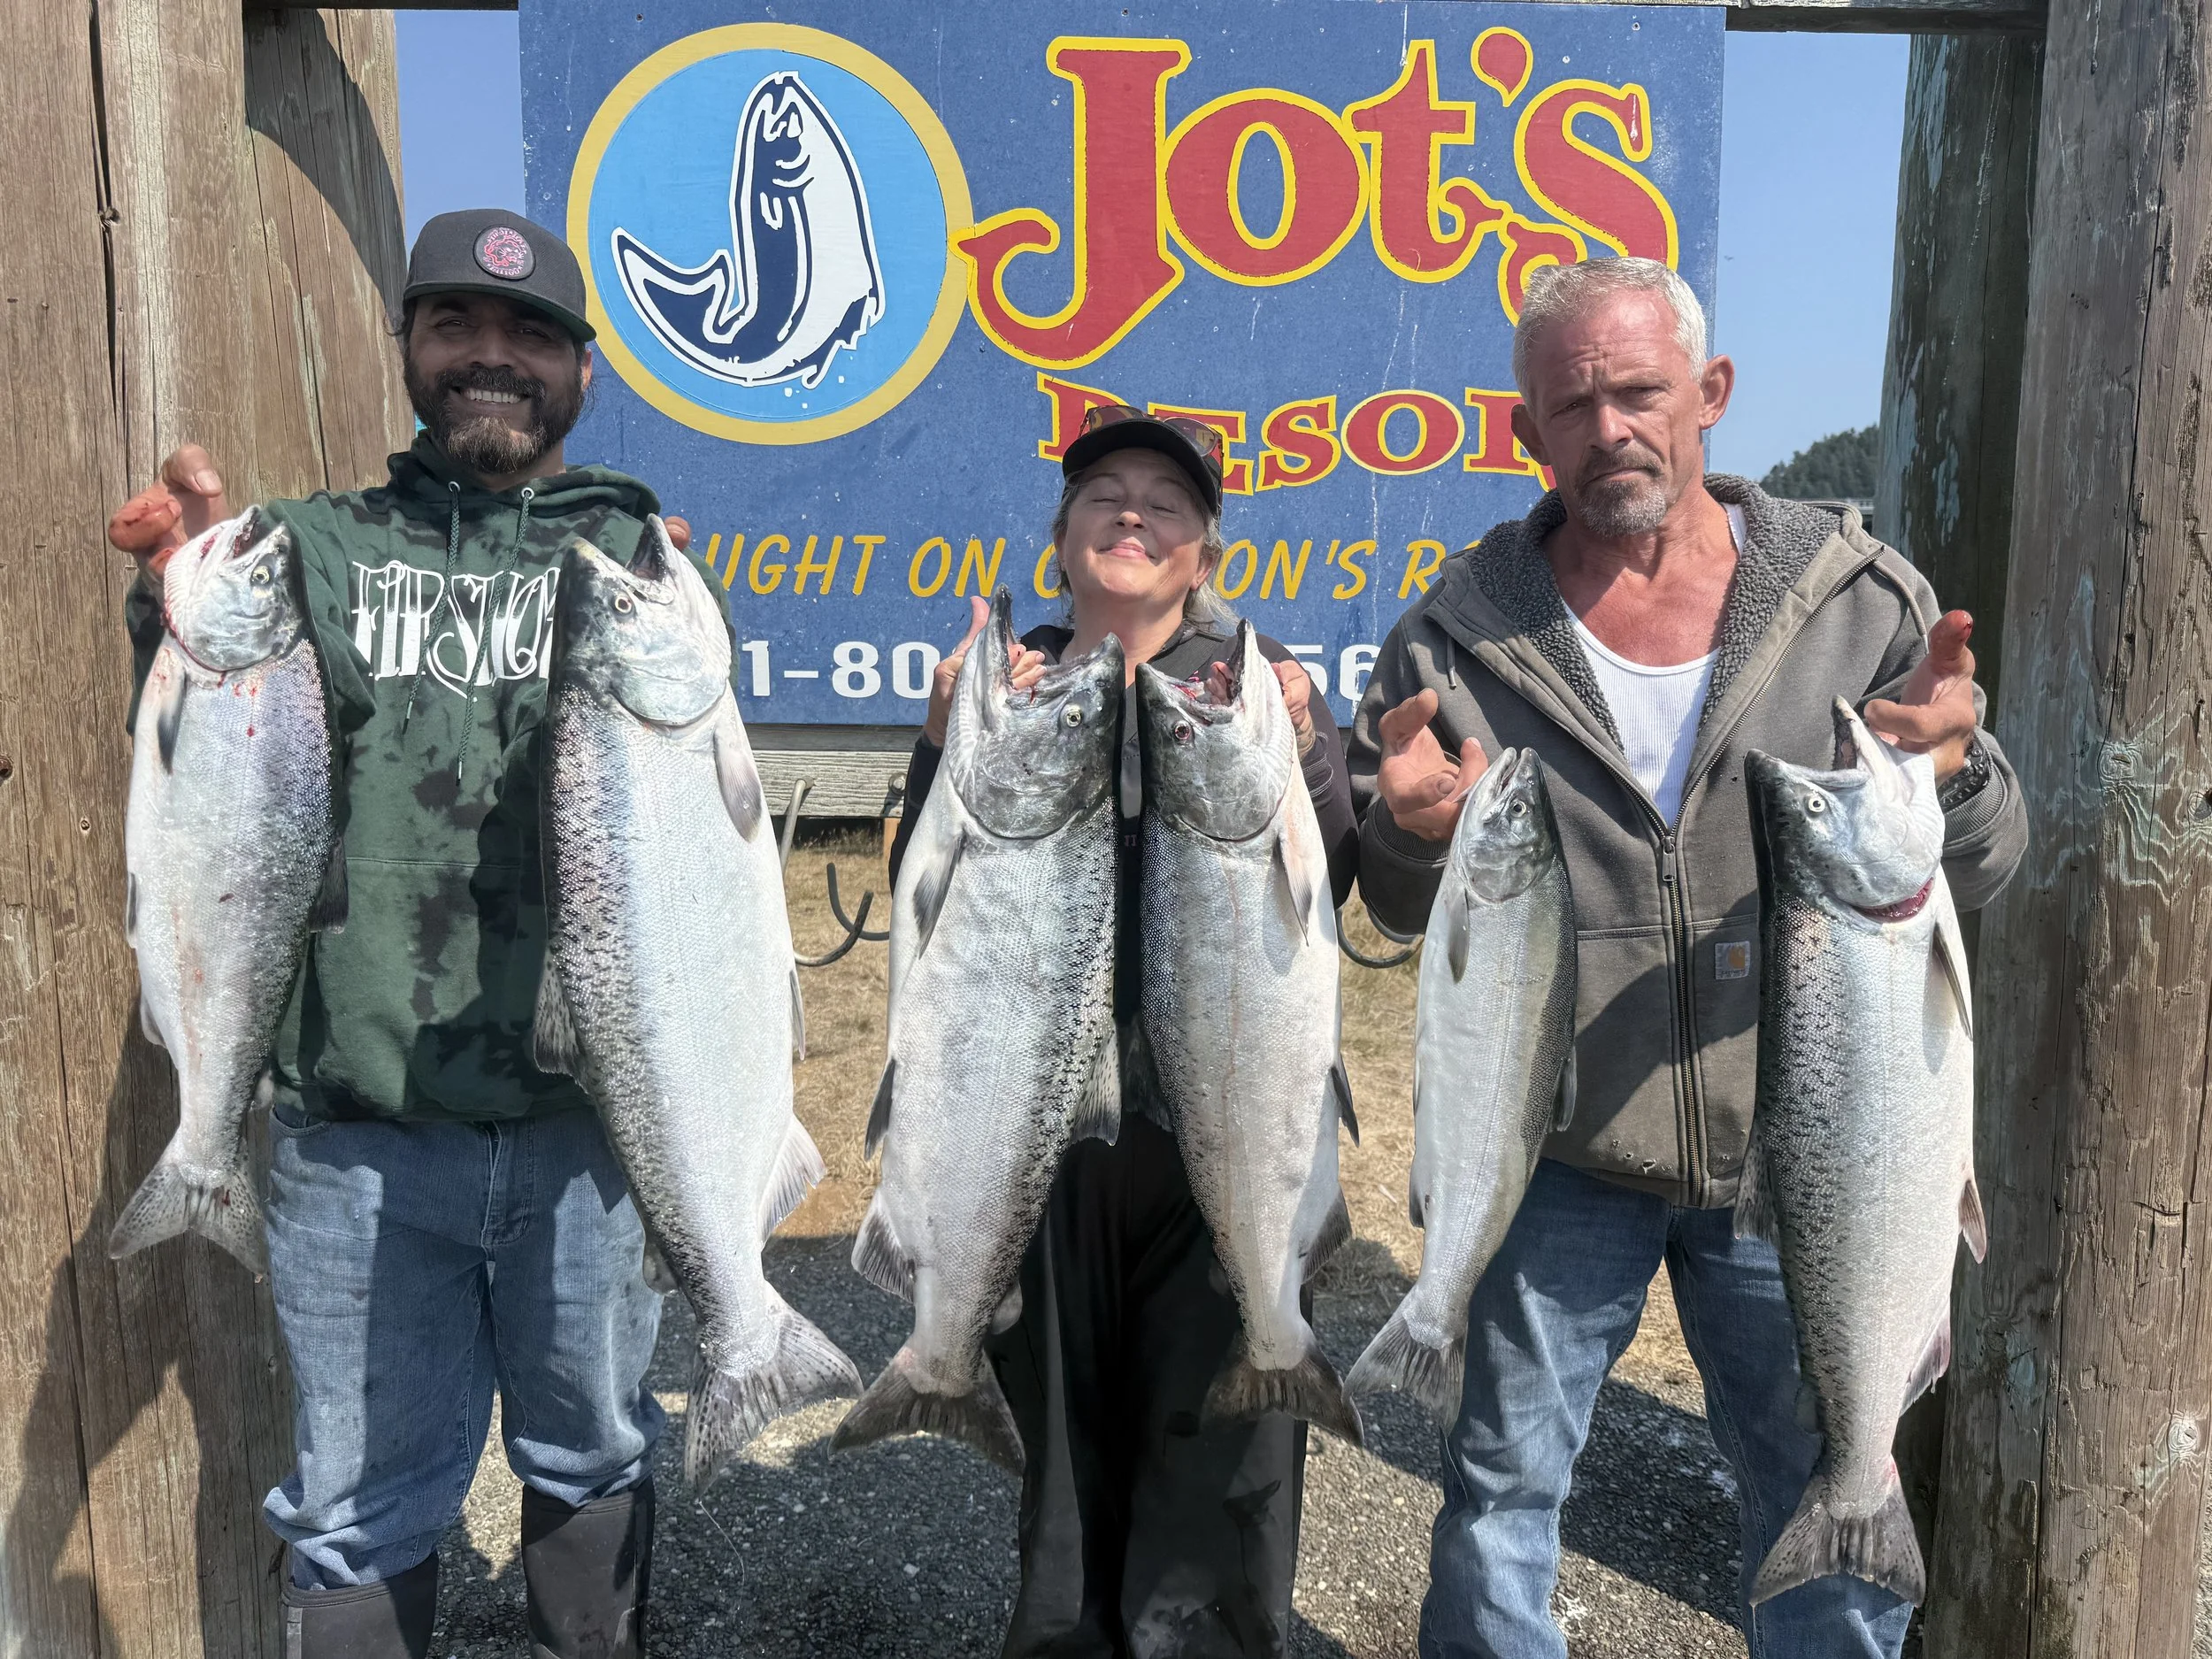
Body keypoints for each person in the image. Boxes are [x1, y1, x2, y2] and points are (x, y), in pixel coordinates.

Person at [1347, 257, 2027, 1659]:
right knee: (1496, 1502)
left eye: (1638, 391)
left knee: (1827, 1482)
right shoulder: (1453, 636)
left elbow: (1990, 852)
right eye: (1571, 405)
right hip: (1558, 1151)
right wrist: (1405, 836)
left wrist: (1955, 772)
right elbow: (1402, 905)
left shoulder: (1861, 603)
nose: (1609, 430)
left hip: (1810, 1155)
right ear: (1528, 430)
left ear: (1710, 396)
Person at [107, 210, 699, 1659]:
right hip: (351, 1134)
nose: (490, 358)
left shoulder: (628, 555)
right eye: (456, 328)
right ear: (411, 351)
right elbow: (215, 732)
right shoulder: (312, 546)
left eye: (529, 336)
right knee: (357, 1506)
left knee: (593, 1453)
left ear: (580, 370)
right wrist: (173, 577)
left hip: (586, 1124)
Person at [887, 405, 1359, 1657]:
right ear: (1060, 537)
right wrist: (943, 741)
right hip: (1038, 1145)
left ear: (1205, 550)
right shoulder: (1004, 688)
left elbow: (1334, 877)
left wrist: (1312, 753)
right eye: (1104, 492)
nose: (1134, 512)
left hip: (1224, 1138)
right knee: (1065, 1487)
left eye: (1166, 500)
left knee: (1222, 1490)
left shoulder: (1258, 692)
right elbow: (923, 898)